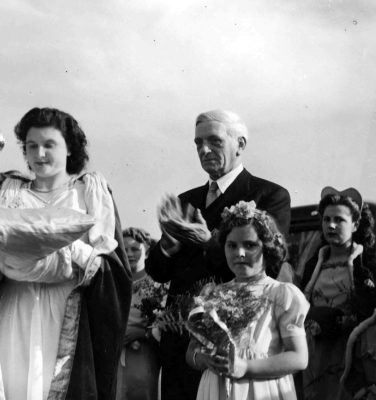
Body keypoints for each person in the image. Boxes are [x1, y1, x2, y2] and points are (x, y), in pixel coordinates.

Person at [0, 107, 132, 400]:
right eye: (31, 146)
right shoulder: (10, 194)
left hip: (68, 313)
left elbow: (109, 271)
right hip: (15, 309)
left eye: (49, 145)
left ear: (69, 150)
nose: (39, 154)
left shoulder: (88, 192)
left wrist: (63, 245)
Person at [145, 109, 291, 399]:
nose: (204, 149)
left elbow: (269, 265)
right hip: (180, 344)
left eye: (214, 141)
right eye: (198, 143)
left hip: (234, 344)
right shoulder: (186, 201)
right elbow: (157, 271)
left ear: (240, 144)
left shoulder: (268, 196)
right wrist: (167, 247)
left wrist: (206, 240)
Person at [186, 200, 309, 400]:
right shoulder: (213, 294)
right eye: (232, 246)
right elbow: (192, 349)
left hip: (261, 389)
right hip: (216, 389)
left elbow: (299, 357)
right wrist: (203, 359)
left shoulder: (280, 294)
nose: (239, 253)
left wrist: (246, 367)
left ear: (267, 248)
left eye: (250, 245)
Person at [301, 187, 376, 400]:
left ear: (355, 224)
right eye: (326, 219)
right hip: (316, 352)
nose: (331, 225)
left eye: (339, 220)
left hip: (355, 353)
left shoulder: (367, 264)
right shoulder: (313, 264)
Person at [116, 227, 161, 400]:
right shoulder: (115, 280)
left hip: (143, 353)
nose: (129, 254)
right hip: (115, 354)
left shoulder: (156, 282)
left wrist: (142, 333)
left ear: (147, 249)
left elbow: (164, 321)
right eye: (125, 249)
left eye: (135, 249)